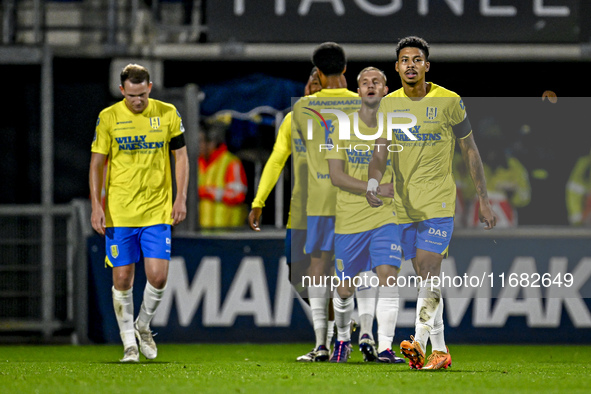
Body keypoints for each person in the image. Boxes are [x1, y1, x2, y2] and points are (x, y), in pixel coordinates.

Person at [366, 36, 496, 370]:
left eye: (417, 59)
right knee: (426, 277)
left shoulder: (449, 101)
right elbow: (380, 150)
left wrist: (483, 198)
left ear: (427, 65)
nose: (410, 65)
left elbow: (470, 149)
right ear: (397, 67)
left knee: (428, 266)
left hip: (439, 200)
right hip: (404, 205)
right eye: (404, 60)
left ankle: (417, 342)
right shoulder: (389, 105)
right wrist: (372, 181)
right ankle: (440, 350)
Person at [89, 63, 189, 362]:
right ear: (122, 91)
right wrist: (96, 205)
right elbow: (96, 163)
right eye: (132, 95)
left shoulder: (167, 113)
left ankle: (142, 326)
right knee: (122, 279)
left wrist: (181, 198)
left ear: (150, 88)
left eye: (142, 94)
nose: (137, 101)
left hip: (157, 210)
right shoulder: (108, 118)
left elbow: (181, 156)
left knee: (158, 277)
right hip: (120, 211)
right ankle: (129, 344)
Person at [326, 67, 405, 364]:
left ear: (385, 89)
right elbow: (336, 176)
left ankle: (385, 347)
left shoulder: (394, 127)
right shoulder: (341, 127)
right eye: (364, 83)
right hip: (350, 219)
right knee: (345, 289)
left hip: (385, 218)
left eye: (376, 82)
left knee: (387, 276)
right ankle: (343, 339)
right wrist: (373, 188)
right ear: (358, 91)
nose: (370, 86)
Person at [292, 42, 360, 361]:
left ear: (317, 72)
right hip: (353, 198)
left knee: (317, 267)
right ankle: (351, 339)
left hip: (319, 199)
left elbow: (306, 148)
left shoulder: (302, 107)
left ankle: (321, 343)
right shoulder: (362, 104)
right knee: (352, 272)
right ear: (345, 70)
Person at [198, 119, 248, 228]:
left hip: (227, 232)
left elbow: (238, 194)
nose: (198, 145)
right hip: (201, 232)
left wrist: (207, 191)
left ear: (212, 142)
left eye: (200, 141)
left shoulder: (231, 162)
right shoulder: (196, 163)